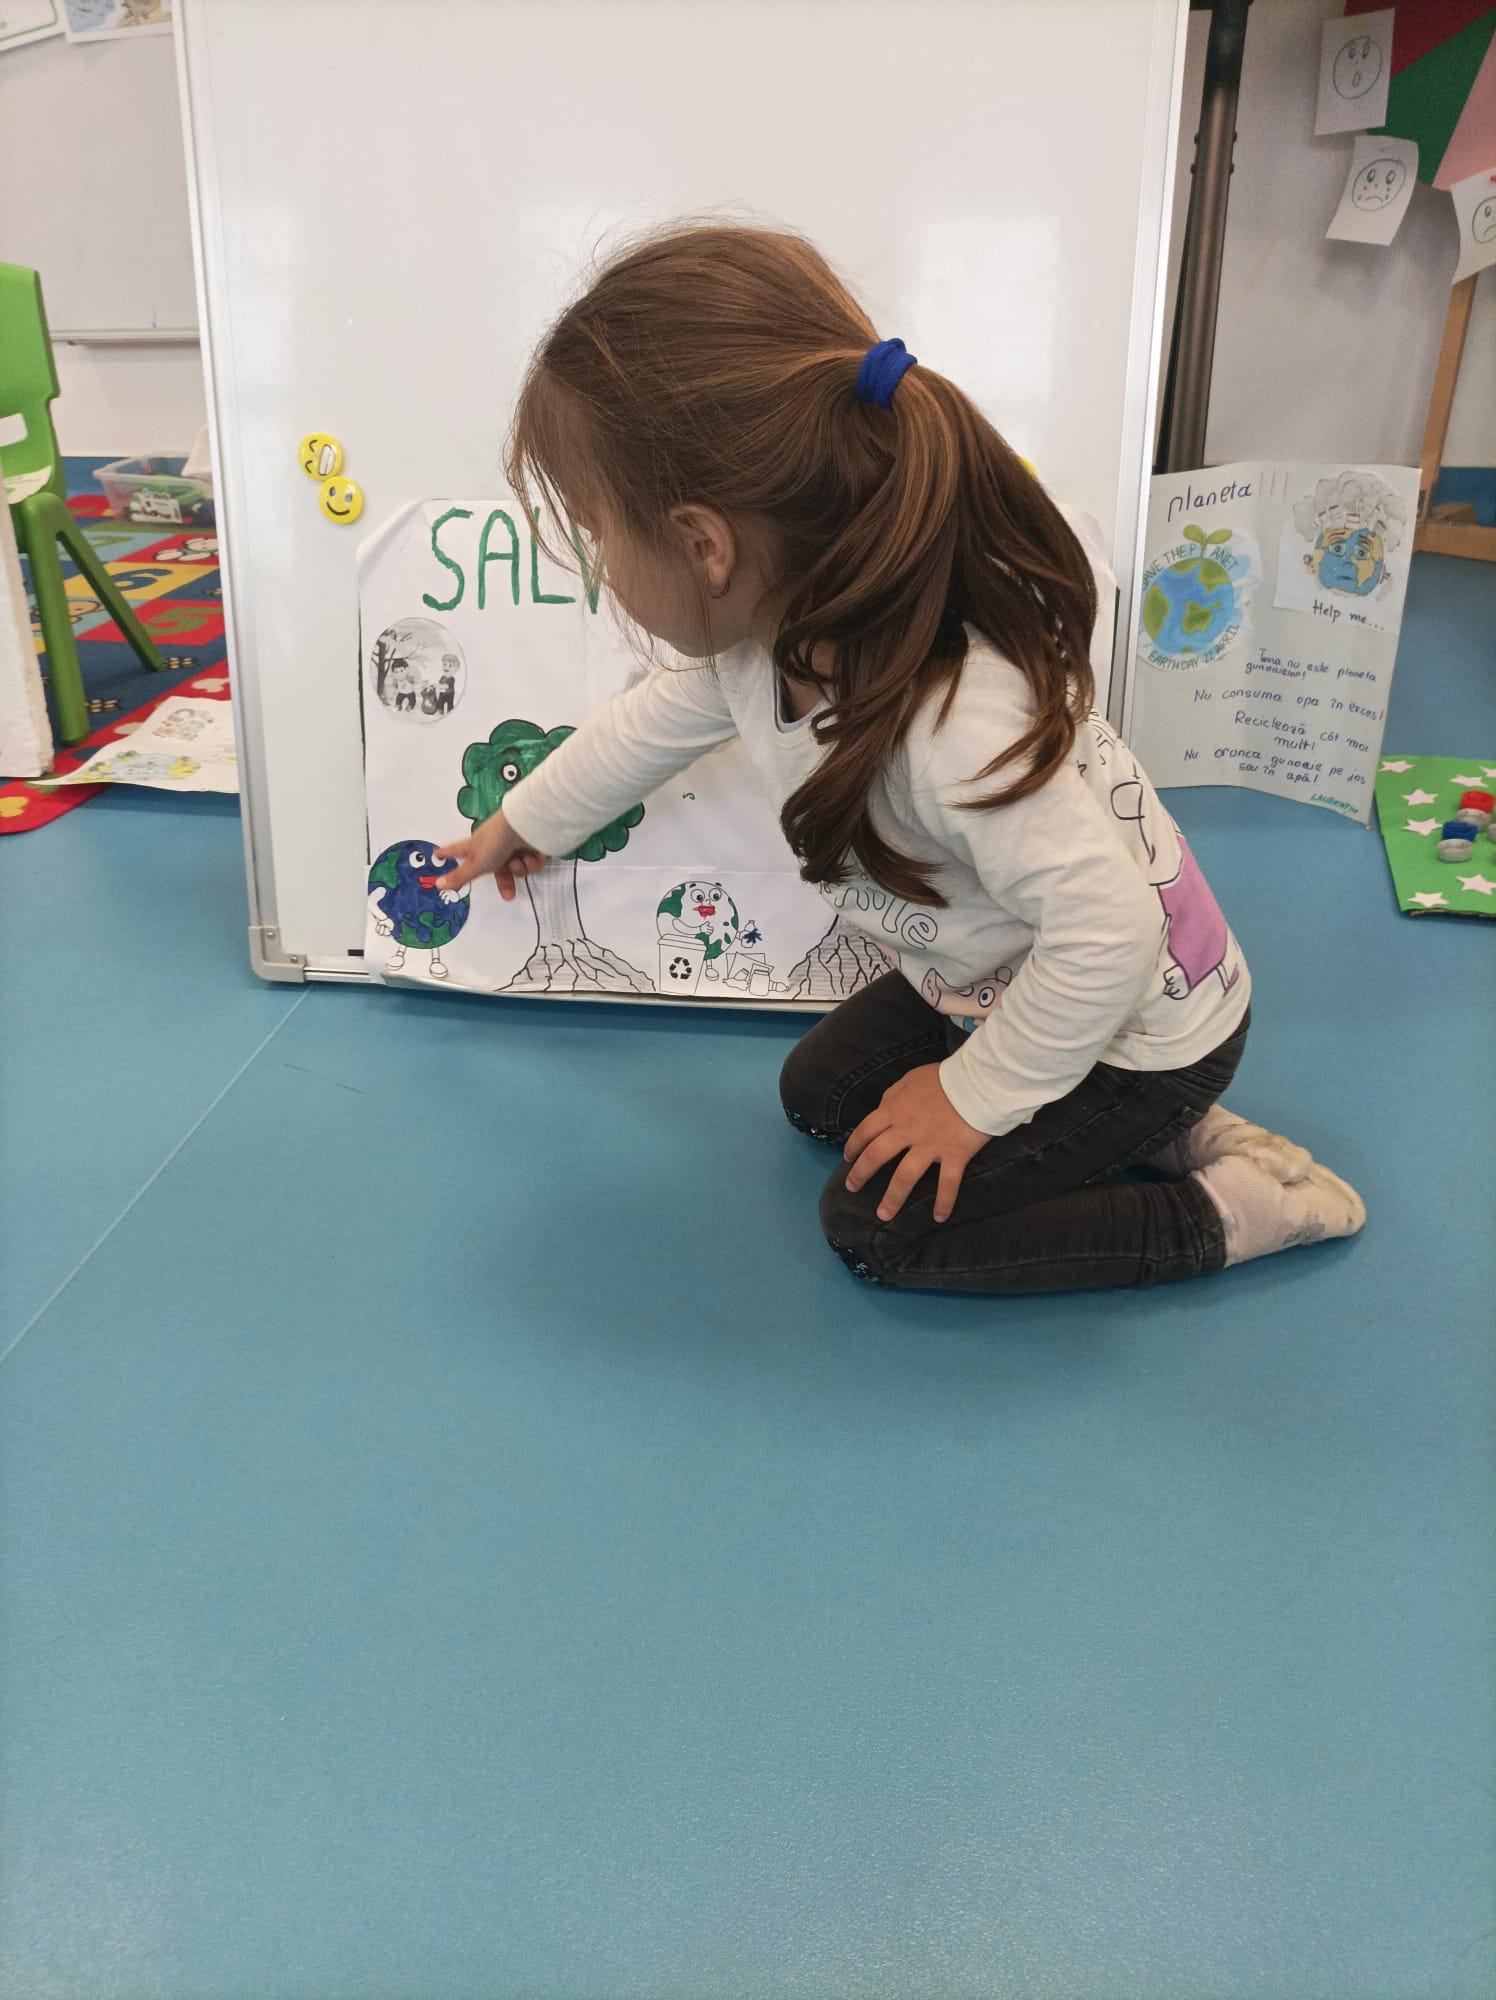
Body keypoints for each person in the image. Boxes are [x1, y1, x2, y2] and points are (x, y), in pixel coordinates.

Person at [435, 224, 1364, 1294]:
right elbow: (642, 729)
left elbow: (1111, 933)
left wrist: (970, 1099)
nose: (599, 559)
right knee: (820, 1099)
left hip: (1139, 1024)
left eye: (599, 530)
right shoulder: (764, 642)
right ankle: (1134, 1124)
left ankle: (1225, 1205)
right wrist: (521, 824)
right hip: (1000, 977)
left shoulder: (951, 724)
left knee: (879, 1231)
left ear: (703, 544)